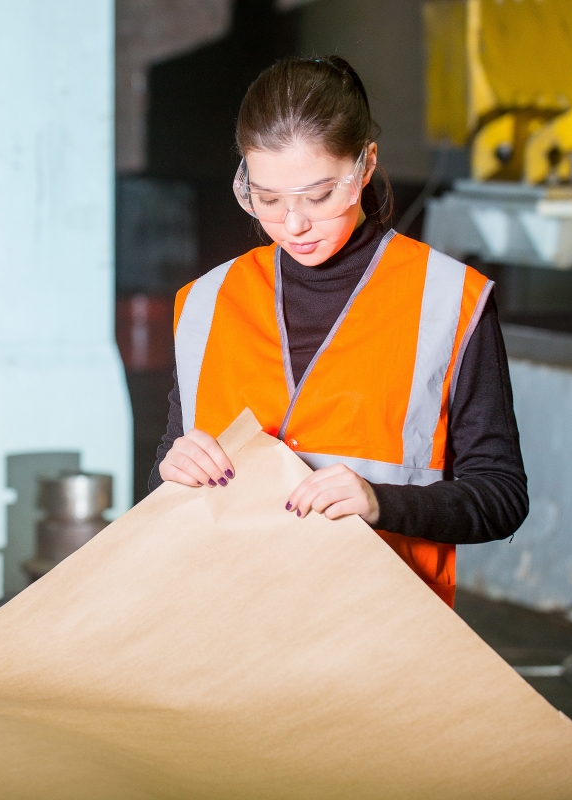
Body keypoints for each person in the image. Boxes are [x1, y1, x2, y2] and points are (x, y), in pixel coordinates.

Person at [148, 56, 528, 607]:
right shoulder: (206, 302)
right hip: (225, 624)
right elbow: (170, 471)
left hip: (380, 629)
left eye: (319, 196)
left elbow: (501, 497)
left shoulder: (448, 300)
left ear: (365, 165)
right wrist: (171, 472)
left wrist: (380, 502)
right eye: (268, 200)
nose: (294, 224)